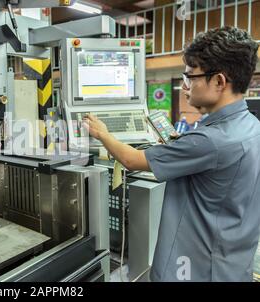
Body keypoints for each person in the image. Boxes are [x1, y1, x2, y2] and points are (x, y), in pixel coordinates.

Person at [83, 26, 260, 282]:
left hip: (192, 270)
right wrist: (182, 146)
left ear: (219, 81)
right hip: (231, 265)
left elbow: (132, 160)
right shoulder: (251, 127)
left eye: (191, 77)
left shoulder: (210, 141)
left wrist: (102, 133)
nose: (186, 87)